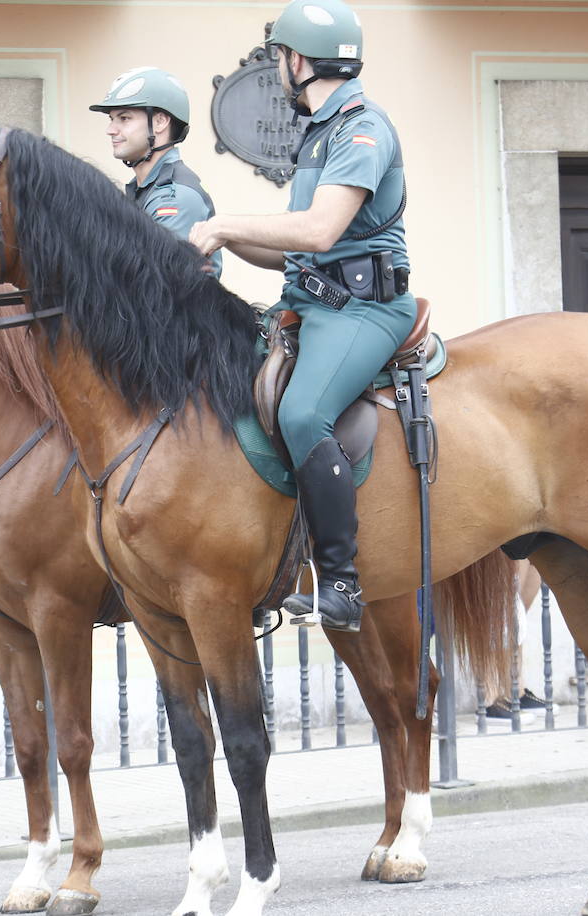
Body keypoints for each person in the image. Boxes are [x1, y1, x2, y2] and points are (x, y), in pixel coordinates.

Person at [189, 0, 413, 633]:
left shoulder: (362, 128)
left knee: (302, 412)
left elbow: (318, 230)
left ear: (295, 61)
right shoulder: (320, 133)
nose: (278, 71)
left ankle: (341, 582)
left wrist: (228, 221)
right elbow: (288, 248)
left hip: (365, 310)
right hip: (310, 304)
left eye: (278, 59)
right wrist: (222, 237)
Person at [90, 66, 224, 275]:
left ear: (160, 122)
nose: (111, 130)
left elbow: (159, 286)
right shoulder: (145, 190)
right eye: (112, 119)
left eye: (124, 118)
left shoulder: (174, 199)